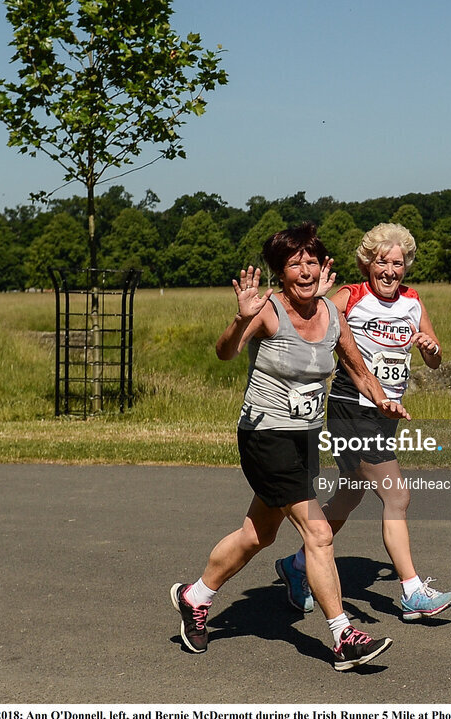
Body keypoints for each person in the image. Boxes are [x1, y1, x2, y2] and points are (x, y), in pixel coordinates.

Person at [170, 222, 410, 671]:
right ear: (280, 273)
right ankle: (343, 636)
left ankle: (194, 596)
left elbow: (357, 370)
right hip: (264, 435)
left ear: (323, 269)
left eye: (310, 261)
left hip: (303, 439)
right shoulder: (269, 311)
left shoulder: (332, 316)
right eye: (293, 264)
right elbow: (224, 353)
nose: (303, 270)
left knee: (258, 534)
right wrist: (242, 316)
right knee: (317, 533)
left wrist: (382, 398)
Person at [275, 223, 451, 621]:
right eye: (381, 262)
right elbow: (314, 316)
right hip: (349, 407)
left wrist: (431, 348)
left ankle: (297, 565)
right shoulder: (352, 296)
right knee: (397, 496)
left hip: (387, 412)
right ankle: (412, 593)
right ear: (367, 263)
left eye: (397, 263)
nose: (389, 271)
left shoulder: (413, 301)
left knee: (351, 494)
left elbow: (434, 356)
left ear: (406, 266)